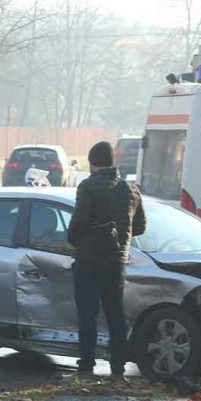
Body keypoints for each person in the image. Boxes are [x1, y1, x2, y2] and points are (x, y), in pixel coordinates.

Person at [67, 141, 146, 379]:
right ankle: (118, 365)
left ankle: (87, 364)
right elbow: (140, 226)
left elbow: (78, 222)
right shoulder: (130, 189)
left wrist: (75, 239)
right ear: (113, 162)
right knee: (115, 313)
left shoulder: (87, 186)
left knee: (87, 313)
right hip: (116, 261)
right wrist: (122, 238)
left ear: (92, 162)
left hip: (89, 260)